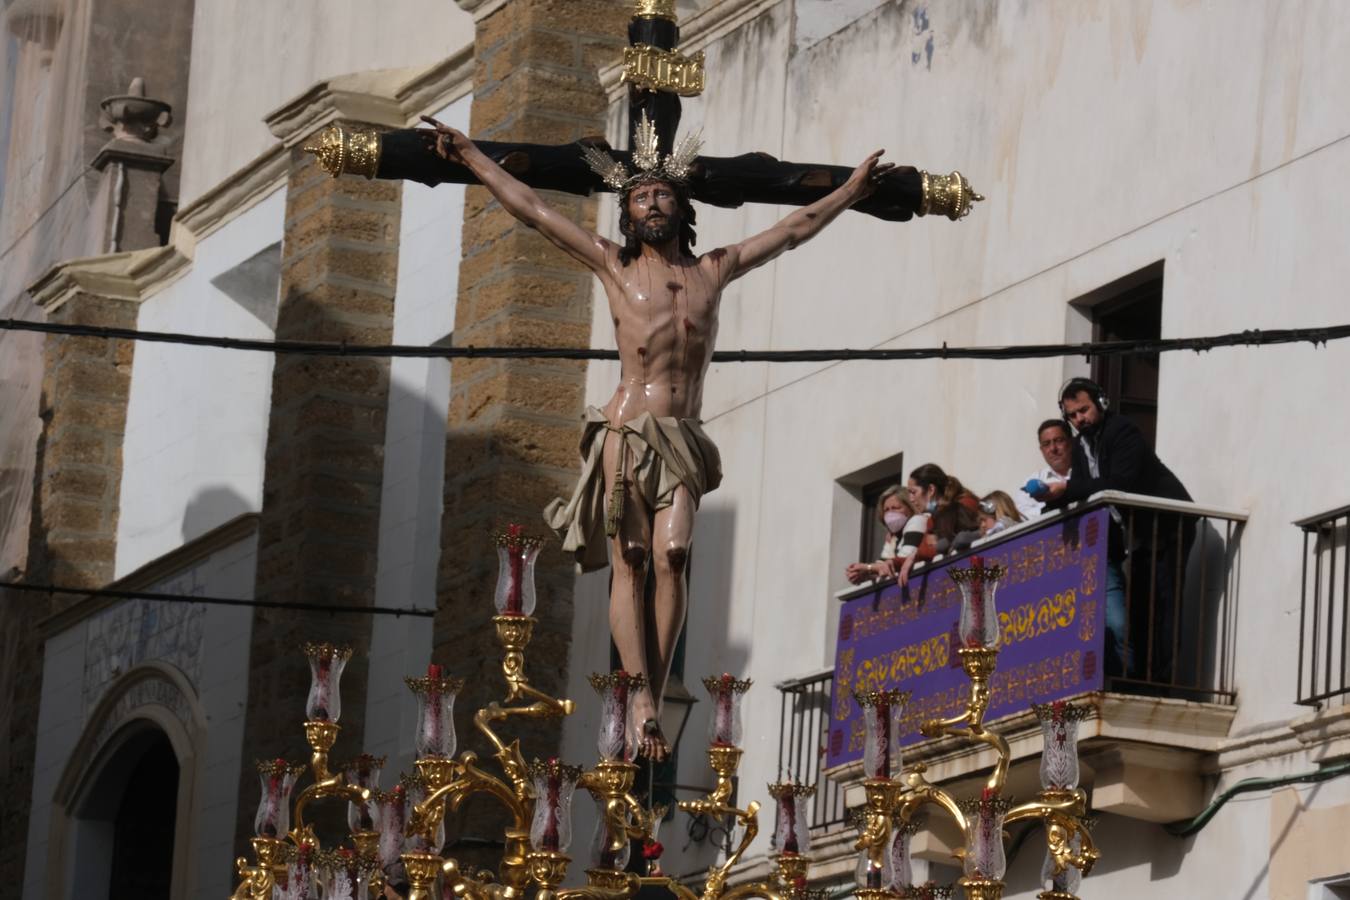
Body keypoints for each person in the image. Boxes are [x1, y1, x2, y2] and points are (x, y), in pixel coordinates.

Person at [421, 114, 896, 759]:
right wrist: (473, 156)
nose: (651, 204)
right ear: (627, 213)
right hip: (626, 429)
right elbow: (532, 209)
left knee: (674, 555)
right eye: (640, 197)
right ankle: (639, 693)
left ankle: (657, 680)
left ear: (680, 208)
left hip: (682, 435)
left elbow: (792, 230)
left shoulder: (712, 272)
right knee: (634, 558)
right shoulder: (613, 266)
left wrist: (850, 192)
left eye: (662, 196)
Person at [1039, 378, 1194, 685]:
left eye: (1084, 410)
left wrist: (1065, 489)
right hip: (1138, 536)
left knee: (1164, 606)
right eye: (1072, 415)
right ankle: (1142, 679)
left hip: (1168, 526)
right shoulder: (1083, 445)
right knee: (1138, 610)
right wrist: (1052, 504)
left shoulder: (1122, 430)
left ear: (1101, 403)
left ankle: (1164, 683)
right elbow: (1085, 491)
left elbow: (1119, 480)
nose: (1080, 419)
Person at [891, 463, 978, 586]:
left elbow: (931, 550)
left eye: (913, 492)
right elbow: (923, 552)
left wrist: (917, 555)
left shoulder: (966, 504)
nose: (910, 499)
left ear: (931, 490)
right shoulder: (931, 520)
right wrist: (888, 564)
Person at [845, 486, 916, 585]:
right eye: (886, 510)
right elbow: (883, 566)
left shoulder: (918, 525)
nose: (890, 513)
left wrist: (868, 568)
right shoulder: (893, 538)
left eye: (895, 508)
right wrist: (864, 574)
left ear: (910, 508)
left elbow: (900, 561)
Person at [1014, 419, 1073, 519]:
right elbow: (1022, 516)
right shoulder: (1031, 482)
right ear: (1041, 450)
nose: (1053, 448)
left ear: (1071, 442)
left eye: (1058, 441)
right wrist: (1049, 509)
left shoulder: (1087, 469)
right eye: (1046, 444)